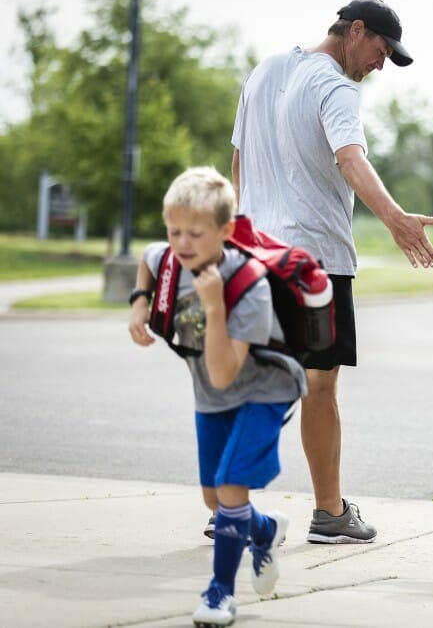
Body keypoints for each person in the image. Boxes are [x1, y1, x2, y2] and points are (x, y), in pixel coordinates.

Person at [230, 0, 433, 545]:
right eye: (380, 50)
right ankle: (329, 514)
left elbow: (238, 161)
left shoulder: (264, 71)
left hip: (255, 253)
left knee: (258, 380)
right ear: (355, 30)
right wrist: (395, 220)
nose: (380, 65)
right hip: (314, 262)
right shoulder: (335, 87)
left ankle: (230, 507)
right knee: (318, 386)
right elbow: (351, 158)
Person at [128, 167, 302, 627]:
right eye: (175, 231)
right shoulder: (171, 259)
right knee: (215, 499)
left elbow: (226, 373)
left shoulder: (249, 286)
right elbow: (148, 257)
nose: (182, 243)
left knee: (229, 490)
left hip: (263, 392)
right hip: (211, 396)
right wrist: (139, 300)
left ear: (225, 232)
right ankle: (263, 530)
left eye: (195, 234)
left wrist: (213, 305)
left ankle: (220, 593)